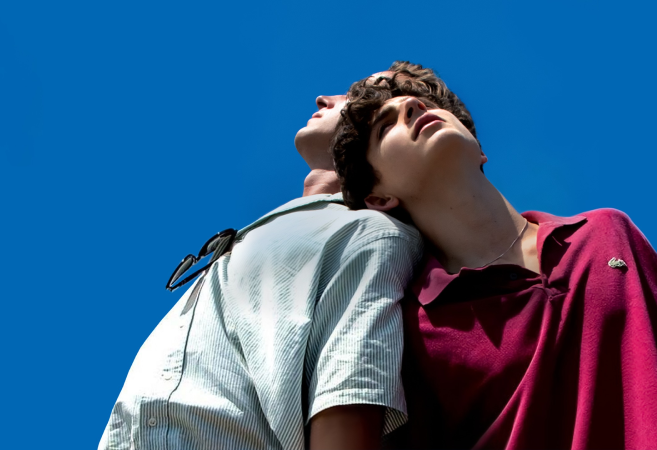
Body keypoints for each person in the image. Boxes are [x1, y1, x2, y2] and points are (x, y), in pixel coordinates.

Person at [332, 61, 657, 449]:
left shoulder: (607, 232)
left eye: (422, 104)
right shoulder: (412, 330)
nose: (413, 107)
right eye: (386, 126)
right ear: (378, 198)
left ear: (480, 149)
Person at [98, 93, 424, 450]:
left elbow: (350, 392)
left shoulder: (369, 233)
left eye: (355, 95)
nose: (322, 99)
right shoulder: (266, 234)